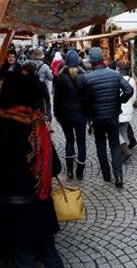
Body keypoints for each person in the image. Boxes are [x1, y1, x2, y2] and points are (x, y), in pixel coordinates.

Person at [0, 64, 64, 268]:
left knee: (24, 259)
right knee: (50, 254)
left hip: (11, 210)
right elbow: (56, 168)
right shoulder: (36, 124)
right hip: (40, 207)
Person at [84, 47, 133, 188]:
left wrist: (90, 115)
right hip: (112, 116)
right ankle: (118, 176)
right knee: (115, 145)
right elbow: (129, 89)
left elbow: (86, 101)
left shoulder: (88, 79)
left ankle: (106, 174)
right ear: (103, 60)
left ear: (92, 63)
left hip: (97, 118)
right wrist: (121, 100)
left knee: (100, 145)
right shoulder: (115, 74)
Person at [53, 50, 90, 180]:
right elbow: (87, 99)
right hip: (80, 115)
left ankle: (69, 171)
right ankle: (80, 171)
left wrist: (57, 115)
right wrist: (88, 115)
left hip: (65, 115)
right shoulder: (84, 78)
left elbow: (56, 100)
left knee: (69, 140)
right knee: (81, 142)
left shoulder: (60, 78)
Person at [117, 60, 137, 161]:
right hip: (128, 110)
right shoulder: (132, 80)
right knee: (124, 131)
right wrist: (129, 105)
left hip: (118, 110)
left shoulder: (116, 78)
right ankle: (124, 150)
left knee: (115, 131)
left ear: (118, 69)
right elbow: (134, 97)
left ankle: (125, 150)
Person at [29, 47, 55, 119]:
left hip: (31, 88)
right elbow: (51, 77)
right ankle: (47, 120)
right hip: (42, 89)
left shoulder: (30, 65)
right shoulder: (45, 66)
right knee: (46, 105)